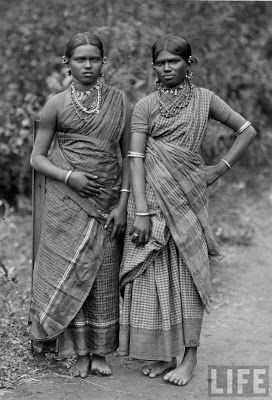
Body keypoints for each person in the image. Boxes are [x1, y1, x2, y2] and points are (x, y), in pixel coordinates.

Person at [119, 34, 256, 386]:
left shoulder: (206, 100)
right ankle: (165, 354)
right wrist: (142, 212)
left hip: (189, 197)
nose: (167, 68)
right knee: (151, 275)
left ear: (189, 64)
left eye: (174, 61)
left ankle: (190, 357)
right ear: (154, 68)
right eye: (161, 63)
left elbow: (247, 130)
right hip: (148, 197)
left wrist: (220, 168)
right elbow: (135, 159)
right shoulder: (145, 106)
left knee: (188, 275)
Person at [29, 32, 130, 378]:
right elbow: (37, 158)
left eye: (94, 59)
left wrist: (123, 203)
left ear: (105, 62)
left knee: (102, 271)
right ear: (66, 63)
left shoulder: (119, 102)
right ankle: (78, 352)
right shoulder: (55, 104)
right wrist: (69, 176)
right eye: (80, 59)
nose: (88, 65)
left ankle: (100, 352)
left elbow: (129, 156)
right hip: (66, 201)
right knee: (72, 272)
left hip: (108, 201)